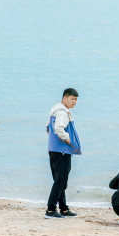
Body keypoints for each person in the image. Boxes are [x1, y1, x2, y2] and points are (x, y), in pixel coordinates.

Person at [45, 87, 82, 219]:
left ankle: (64, 209)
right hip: (61, 150)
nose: (74, 102)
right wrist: (67, 140)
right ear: (64, 98)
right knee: (60, 181)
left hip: (54, 149)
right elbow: (58, 129)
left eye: (76, 100)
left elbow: (48, 128)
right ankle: (50, 210)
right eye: (72, 99)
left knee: (60, 181)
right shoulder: (61, 112)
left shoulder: (54, 109)